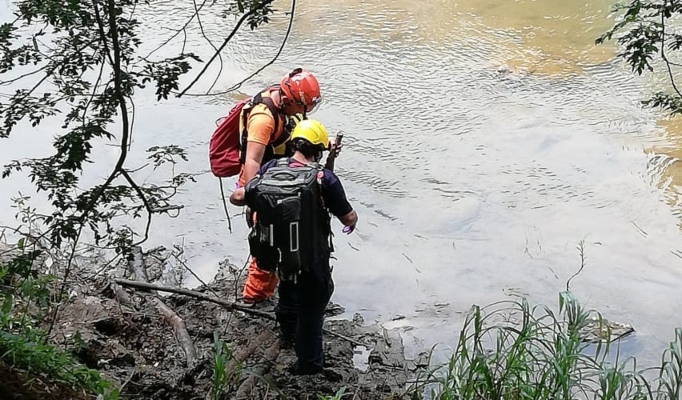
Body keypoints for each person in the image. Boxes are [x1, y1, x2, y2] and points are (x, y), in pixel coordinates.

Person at [230, 119, 358, 375]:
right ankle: (309, 364)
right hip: (312, 256)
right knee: (313, 304)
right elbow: (349, 217)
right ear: (318, 151)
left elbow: (238, 197)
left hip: (277, 251)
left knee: (288, 286)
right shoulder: (324, 178)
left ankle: (288, 333)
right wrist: (348, 222)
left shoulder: (271, 167)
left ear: (292, 145)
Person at [238, 68, 323, 304]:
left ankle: (279, 287)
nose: (304, 112)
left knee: (287, 240)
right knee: (267, 243)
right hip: (265, 188)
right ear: (288, 100)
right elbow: (252, 160)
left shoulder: (287, 107)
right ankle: (253, 299)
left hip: (282, 183)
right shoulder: (263, 119)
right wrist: (255, 201)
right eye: (303, 107)